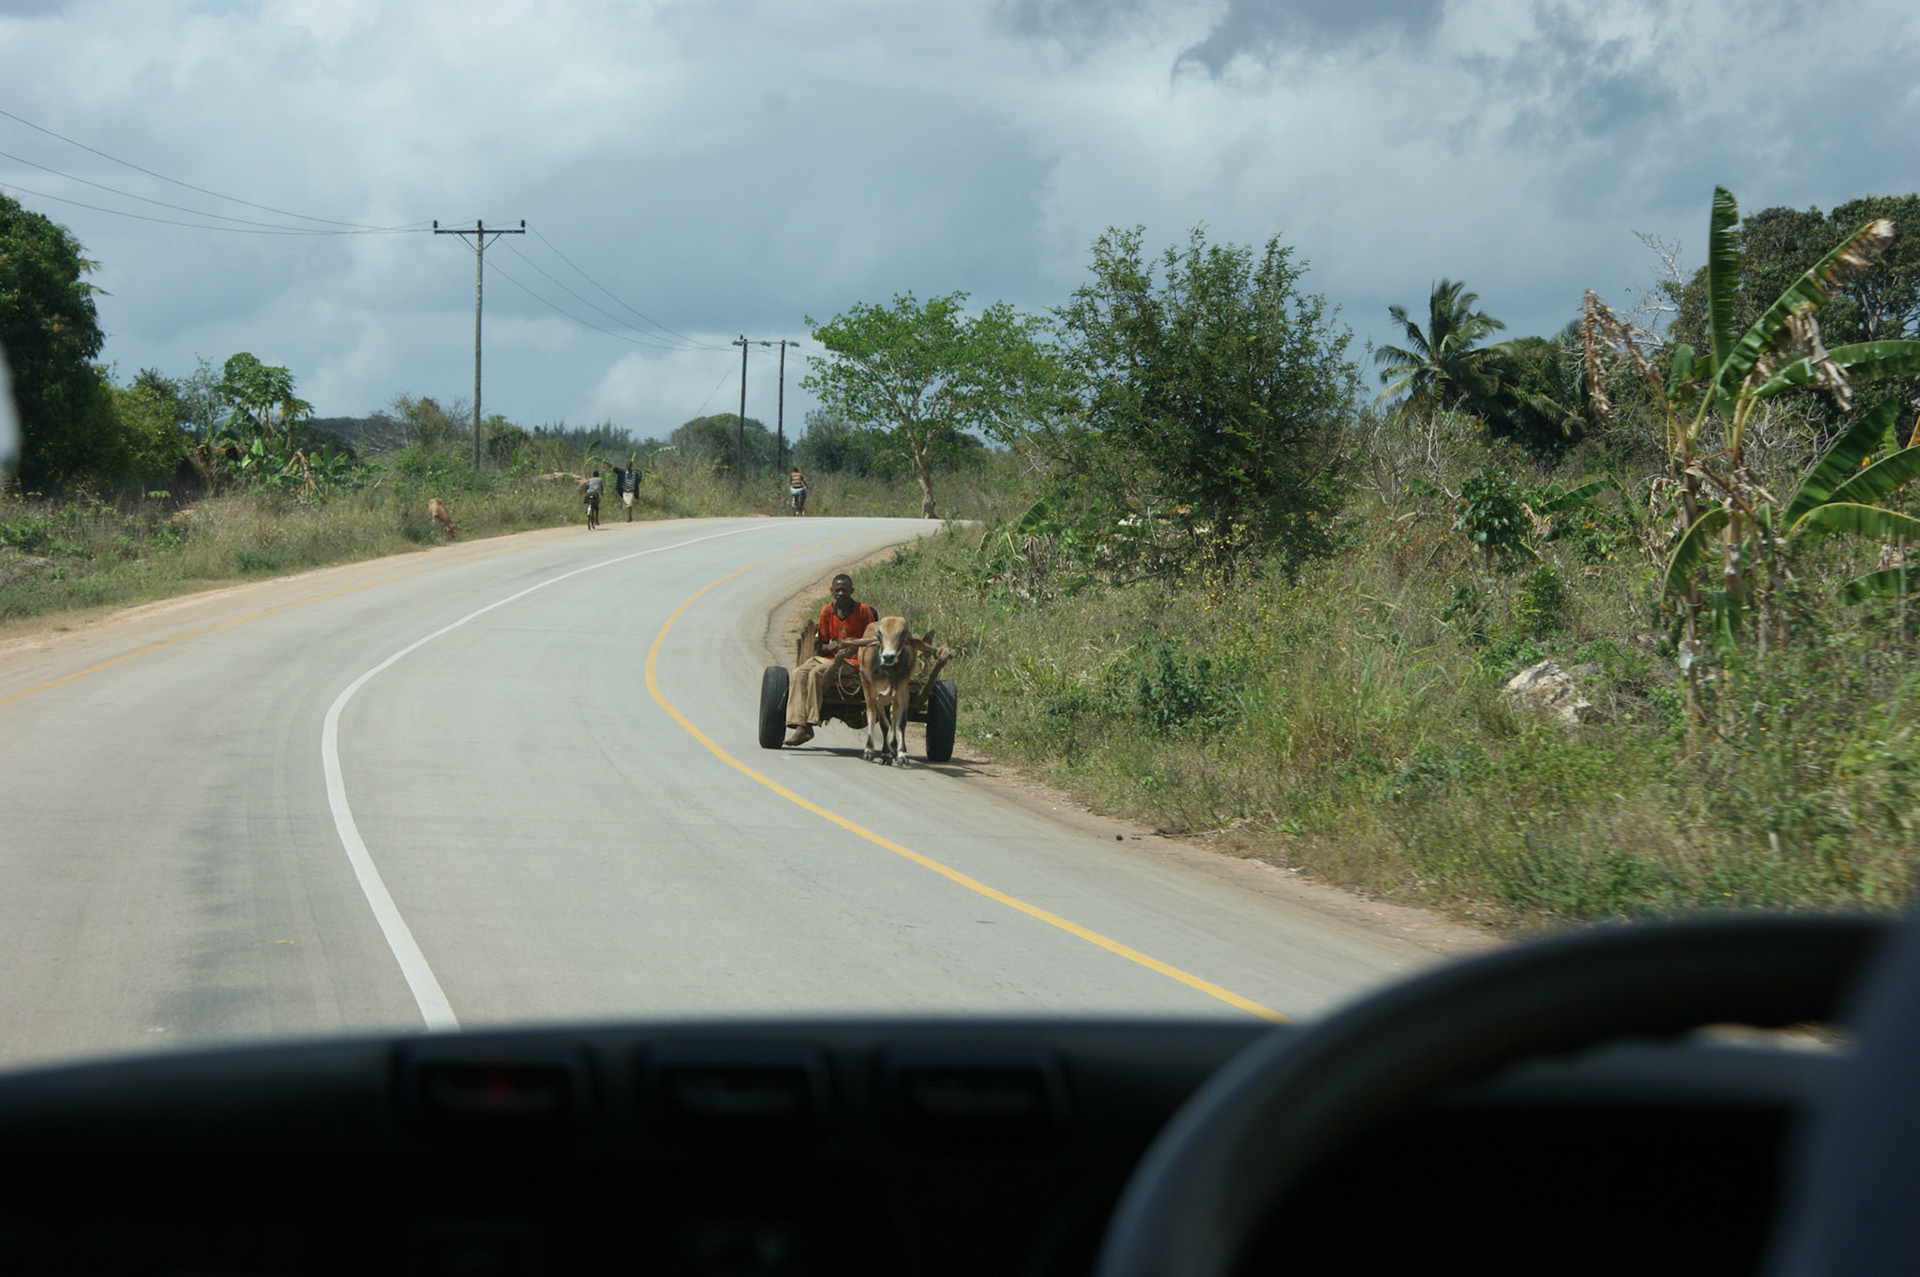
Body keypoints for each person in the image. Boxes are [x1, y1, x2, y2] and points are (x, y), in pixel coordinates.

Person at [784, 573, 876, 746]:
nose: (840, 593)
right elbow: (821, 645)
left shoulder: (863, 611)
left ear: (851, 591)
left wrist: (852, 645)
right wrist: (830, 647)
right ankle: (797, 722)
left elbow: (873, 640)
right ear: (832, 591)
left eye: (844, 590)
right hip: (828, 658)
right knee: (799, 672)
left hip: (853, 662)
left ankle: (808, 725)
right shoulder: (827, 611)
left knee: (816, 674)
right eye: (837, 590)